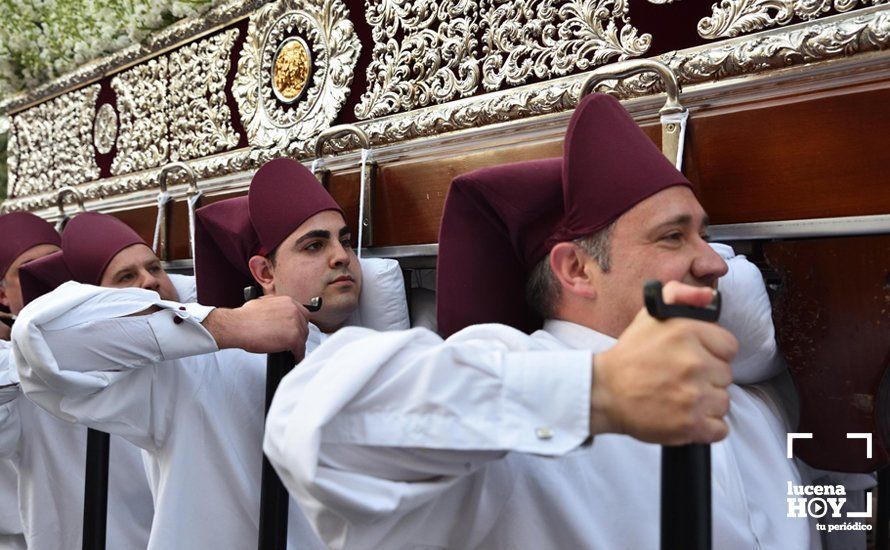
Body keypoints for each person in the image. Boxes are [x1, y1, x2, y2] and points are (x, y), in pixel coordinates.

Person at [262, 95, 815, 548]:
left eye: (705, 234)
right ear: (576, 269)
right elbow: (317, 431)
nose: (716, 261)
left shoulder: (752, 407)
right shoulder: (506, 428)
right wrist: (601, 391)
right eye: (673, 236)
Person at [12, 159, 408, 549]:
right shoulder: (196, 365)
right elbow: (43, 336)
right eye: (315, 245)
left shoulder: (377, 360)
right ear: (264, 274)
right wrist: (230, 326)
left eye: (344, 240)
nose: (341, 256)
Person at [0, 212, 153, 550]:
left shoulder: (136, 341)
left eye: (57, 267)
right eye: (29, 271)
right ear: (2, 295)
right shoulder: (12, 373)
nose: (49, 281)